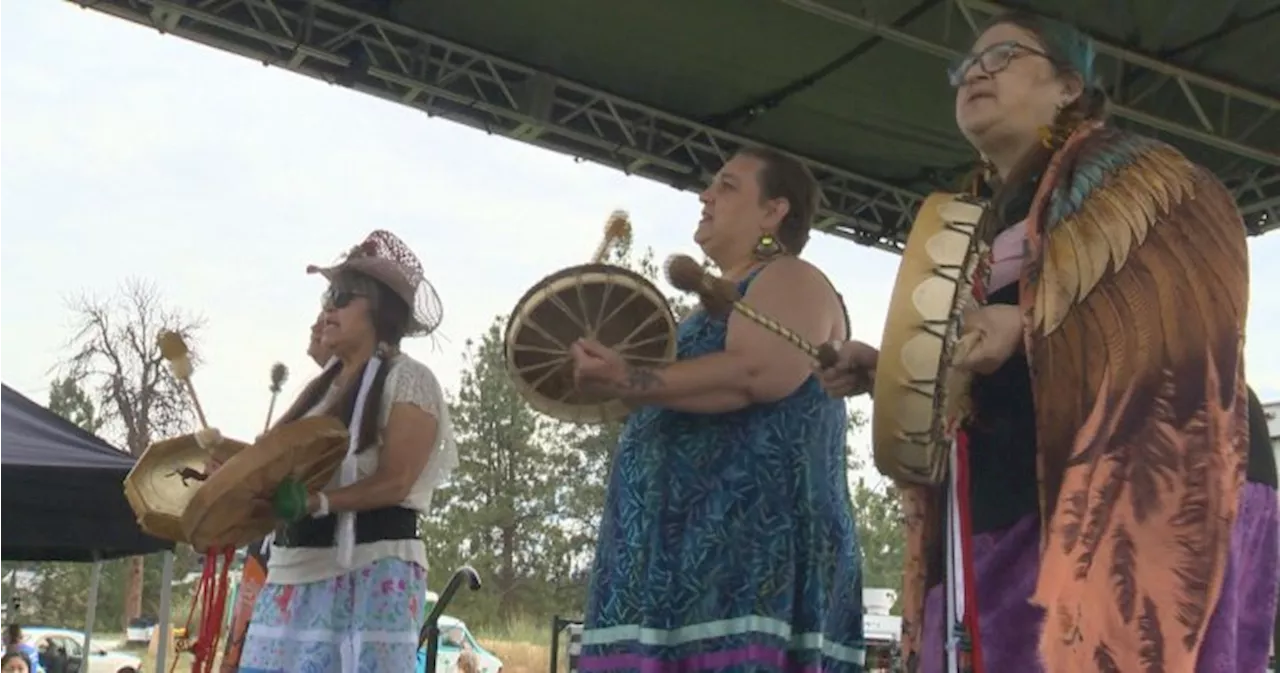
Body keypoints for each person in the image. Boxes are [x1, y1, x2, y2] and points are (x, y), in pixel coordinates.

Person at [820, 12, 1277, 672]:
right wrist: (894, 367)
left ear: (1069, 86)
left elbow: (1194, 301)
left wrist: (1028, 327)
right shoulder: (987, 215)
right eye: (964, 66)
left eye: (1001, 55)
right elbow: (987, 352)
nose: (974, 72)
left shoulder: (1142, 174)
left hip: (1147, 495)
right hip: (1010, 499)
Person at [570, 147, 865, 672]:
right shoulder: (706, 310)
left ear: (774, 211)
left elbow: (758, 372)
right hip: (664, 578)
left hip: (743, 570)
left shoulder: (791, 278)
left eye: (727, 186)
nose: (706, 195)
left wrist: (626, 377)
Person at [237, 229, 459, 673]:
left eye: (342, 296)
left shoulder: (409, 379)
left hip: (369, 573)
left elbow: (397, 480)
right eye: (327, 298)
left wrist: (319, 501)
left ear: (380, 308)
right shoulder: (320, 392)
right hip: (292, 572)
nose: (329, 308)